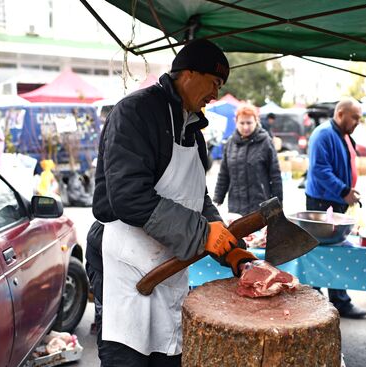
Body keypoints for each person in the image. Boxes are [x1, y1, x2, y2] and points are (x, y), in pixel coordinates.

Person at [85, 39, 257, 366]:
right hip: (126, 263)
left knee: (168, 354)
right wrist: (203, 234)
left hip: (170, 265)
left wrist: (229, 247)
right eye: (215, 83)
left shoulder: (194, 131)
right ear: (188, 74)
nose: (216, 95)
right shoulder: (135, 112)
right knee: (128, 356)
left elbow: (197, 197)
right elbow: (129, 198)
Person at [304, 98, 366, 319]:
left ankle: (336, 300)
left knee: (335, 252)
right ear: (340, 114)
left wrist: (348, 190)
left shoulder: (341, 134)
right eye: (355, 117)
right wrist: (344, 191)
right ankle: (319, 301)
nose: (357, 122)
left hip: (334, 201)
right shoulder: (323, 134)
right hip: (322, 203)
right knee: (322, 253)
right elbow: (320, 171)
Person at [213, 104, 282, 215]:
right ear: (236, 122)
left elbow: (275, 176)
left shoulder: (266, 142)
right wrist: (217, 198)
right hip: (235, 207)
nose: (245, 127)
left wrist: (278, 204)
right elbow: (224, 174)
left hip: (260, 207)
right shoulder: (230, 143)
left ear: (256, 121)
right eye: (242, 123)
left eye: (249, 123)